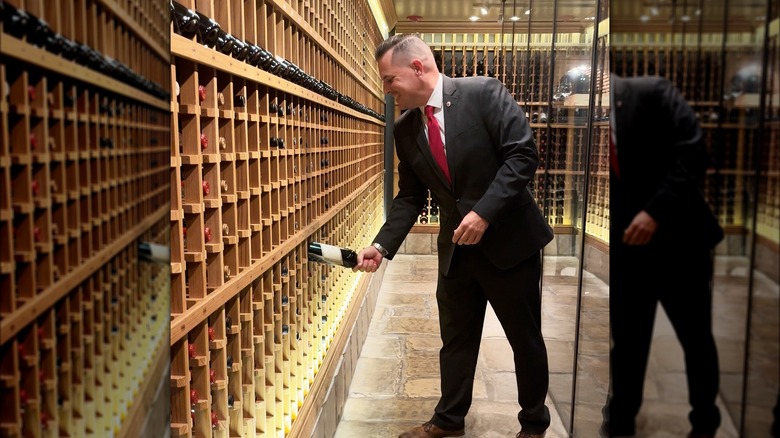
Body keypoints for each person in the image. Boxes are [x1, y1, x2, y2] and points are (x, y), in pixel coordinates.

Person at [352, 33, 554, 438]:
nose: (386, 91)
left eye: (390, 80)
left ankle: (534, 424)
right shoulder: (406, 129)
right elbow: (409, 197)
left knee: (524, 339)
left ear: (417, 67)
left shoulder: (483, 92)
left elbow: (523, 154)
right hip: (457, 252)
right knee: (456, 341)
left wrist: (484, 213)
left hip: (509, 246)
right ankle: (448, 421)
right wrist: (381, 244)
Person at [607, 74, 724, 438]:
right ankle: (621, 421)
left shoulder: (651, 92)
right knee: (627, 343)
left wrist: (655, 212)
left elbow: (695, 149)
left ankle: (704, 422)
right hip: (628, 252)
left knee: (696, 338)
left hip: (679, 245)